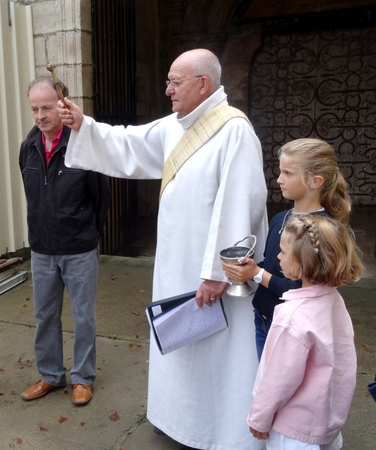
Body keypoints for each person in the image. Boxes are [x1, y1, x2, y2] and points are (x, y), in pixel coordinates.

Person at [58, 49, 268, 448]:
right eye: (168, 81)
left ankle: (214, 430)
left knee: (215, 350)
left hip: (211, 274)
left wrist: (215, 272)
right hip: (175, 263)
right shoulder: (176, 126)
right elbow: (128, 143)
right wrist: (84, 124)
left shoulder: (234, 130)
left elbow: (240, 202)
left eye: (175, 82)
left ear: (203, 84)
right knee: (178, 340)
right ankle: (176, 419)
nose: (168, 90)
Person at [19, 76, 110, 406]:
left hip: (79, 248)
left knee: (83, 316)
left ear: (62, 105)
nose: (40, 115)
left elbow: (101, 197)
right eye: (34, 109)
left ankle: (83, 377)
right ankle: (50, 375)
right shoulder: (28, 147)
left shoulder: (82, 144)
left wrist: (88, 232)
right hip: (42, 249)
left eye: (46, 107)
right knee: (45, 315)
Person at [223, 138, 352, 358]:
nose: (279, 179)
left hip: (294, 328)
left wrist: (257, 274)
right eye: (280, 171)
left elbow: (305, 291)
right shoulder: (280, 218)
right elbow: (271, 264)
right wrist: (247, 270)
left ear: (315, 181)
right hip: (264, 319)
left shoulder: (321, 230)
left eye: (288, 173)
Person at [247, 214, 362, 450]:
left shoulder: (291, 318)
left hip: (293, 431)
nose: (277, 257)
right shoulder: (334, 301)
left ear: (301, 262)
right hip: (326, 420)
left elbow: (278, 378)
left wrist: (259, 418)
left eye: (282, 252)